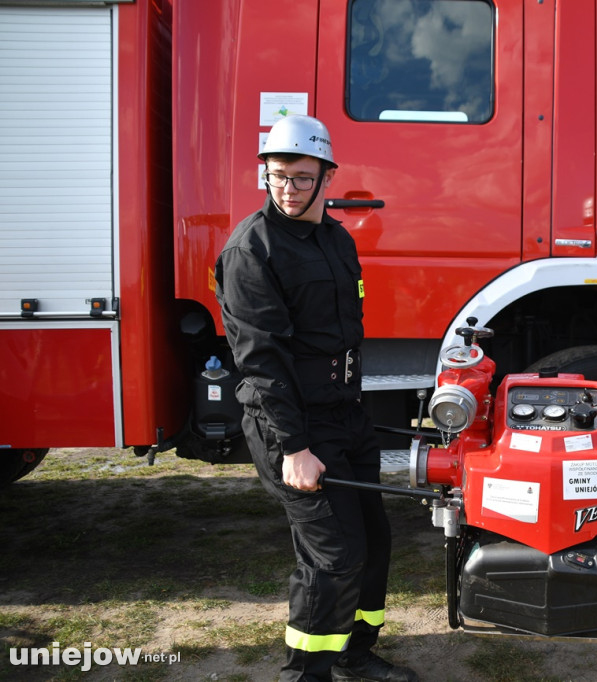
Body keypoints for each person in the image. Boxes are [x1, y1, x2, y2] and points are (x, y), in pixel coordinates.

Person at [215, 115, 418, 682]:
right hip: (295, 424)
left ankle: (353, 654)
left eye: (302, 178)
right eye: (277, 176)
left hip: (347, 415)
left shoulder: (336, 239)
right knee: (333, 554)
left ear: (327, 177)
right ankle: (306, 671)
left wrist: (358, 412)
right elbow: (261, 362)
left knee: (374, 541)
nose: (287, 189)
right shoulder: (251, 250)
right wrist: (294, 447)